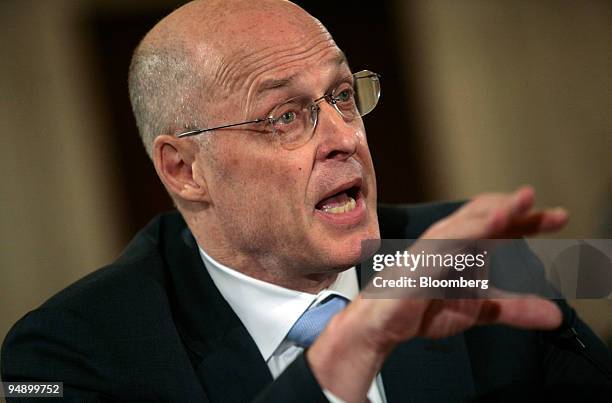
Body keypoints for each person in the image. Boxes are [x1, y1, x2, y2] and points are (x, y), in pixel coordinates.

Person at [2, 0, 611, 402]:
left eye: (343, 96)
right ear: (184, 169)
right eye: (285, 116)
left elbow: (594, 278)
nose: (346, 138)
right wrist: (339, 362)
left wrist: (572, 265)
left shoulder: (459, 254)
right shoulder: (70, 353)